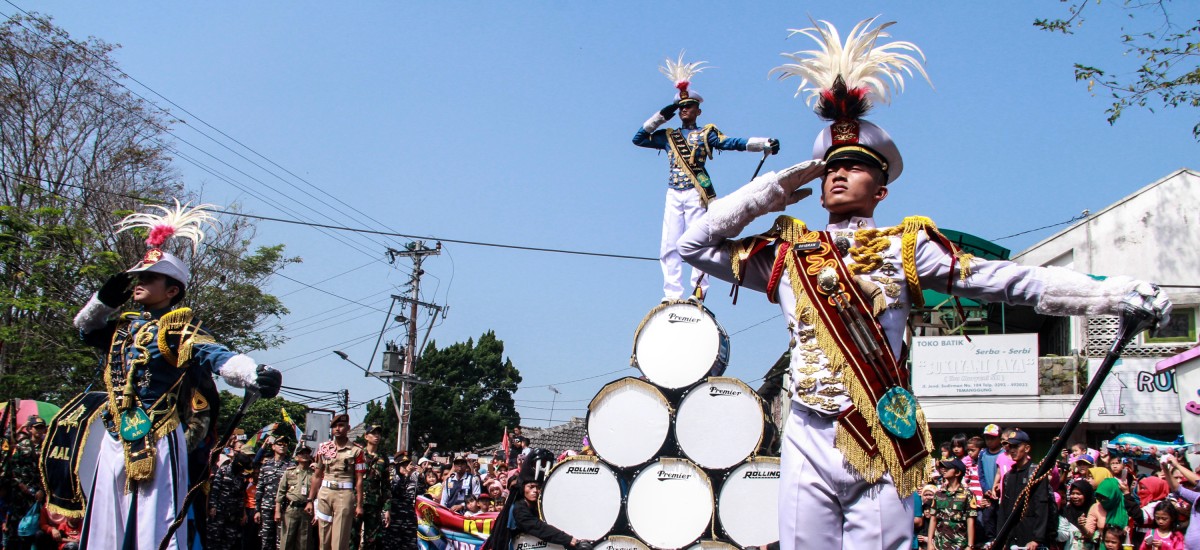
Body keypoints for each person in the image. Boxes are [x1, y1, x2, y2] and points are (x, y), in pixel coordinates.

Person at [677, 17, 1170, 550]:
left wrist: (1110, 295)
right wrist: (776, 187)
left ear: (881, 190)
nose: (838, 175)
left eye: (855, 167)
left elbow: (1012, 282)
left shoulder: (907, 249)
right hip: (806, 433)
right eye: (829, 169)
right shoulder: (789, 251)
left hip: (881, 433)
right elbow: (694, 244)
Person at [70, 202, 282, 549]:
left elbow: (216, 355)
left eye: (149, 278)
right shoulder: (123, 327)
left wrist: (253, 373)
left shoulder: (179, 329)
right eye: (137, 277)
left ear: (172, 290)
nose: (138, 283)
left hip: (157, 438)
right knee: (105, 524)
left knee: (156, 525)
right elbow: (84, 328)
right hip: (114, 435)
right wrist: (103, 301)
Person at [633, 52, 778, 302]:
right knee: (669, 244)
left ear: (698, 110)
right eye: (680, 108)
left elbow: (732, 142)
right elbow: (638, 138)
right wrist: (660, 115)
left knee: (697, 243)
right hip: (673, 193)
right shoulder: (668, 136)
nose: (683, 111)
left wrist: (762, 143)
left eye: (688, 107)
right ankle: (671, 293)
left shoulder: (705, 134)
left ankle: (698, 289)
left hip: (696, 193)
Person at [306, 414, 364, 550]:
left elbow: (359, 480)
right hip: (325, 493)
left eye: (341, 425)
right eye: (334, 426)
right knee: (323, 537)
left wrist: (359, 505)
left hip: (344, 494)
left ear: (348, 428)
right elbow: (317, 475)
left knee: (340, 538)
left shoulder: (357, 451)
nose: (337, 429)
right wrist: (310, 499)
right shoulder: (324, 448)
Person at [997, 430, 1055, 549]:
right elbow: (1003, 508)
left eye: (1016, 446)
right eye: (1010, 446)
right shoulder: (1008, 476)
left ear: (1027, 448)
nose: (1012, 450)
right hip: (1011, 537)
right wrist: (1000, 538)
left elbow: (1042, 506)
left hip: (1030, 537)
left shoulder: (1035, 473)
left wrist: (1037, 539)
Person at [5, 416, 46, 550]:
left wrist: (41, 489)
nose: (39, 431)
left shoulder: (47, 447)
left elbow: (47, 471)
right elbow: (11, 468)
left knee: (35, 526)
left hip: (38, 494)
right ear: (30, 429)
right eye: (36, 428)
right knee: (16, 526)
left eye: (42, 428)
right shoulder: (22, 446)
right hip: (21, 493)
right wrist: (21, 485)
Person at [353, 425, 390, 550]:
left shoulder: (383, 458)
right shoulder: (358, 454)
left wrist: (387, 508)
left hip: (374, 504)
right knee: (352, 538)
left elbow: (386, 486)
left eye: (379, 434)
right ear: (366, 436)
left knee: (372, 539)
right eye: (373, 433)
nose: (377, 436)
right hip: (356, 501)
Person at [926, 458, 976, 550]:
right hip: (939, 544)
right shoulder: (939, 494)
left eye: (947, 468)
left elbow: (970, 521)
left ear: (957, 473)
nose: (943, 470)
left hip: (959, 544)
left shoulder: (967, 495)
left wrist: (970, 546)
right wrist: (930, 542)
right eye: (942, 468)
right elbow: (933, 519)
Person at [275, 444, 316, 550]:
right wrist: (277, 511)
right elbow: (281, 492)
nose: (305, 455)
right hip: (291, 509)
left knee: (304, 542)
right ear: (296, 457)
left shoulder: (314, 474)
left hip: (307, 511)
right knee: (287, 540)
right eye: (302, 453)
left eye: (307, 453)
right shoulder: (289, 472)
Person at [256, 435, 293, 550]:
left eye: (285, 445)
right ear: (273, 447)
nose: (282, 446)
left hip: (284, 508)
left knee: (281, 541)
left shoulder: (291, 466)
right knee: (266, 540)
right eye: (279, 444)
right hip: (266, 507)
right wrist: (257, 510)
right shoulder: (265, 466)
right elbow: (260, 488)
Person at [209, 452, 251, 549]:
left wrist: (242, 514)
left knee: (229, 540)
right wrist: (213, 506)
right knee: (214, 538)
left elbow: (241, 496)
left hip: (233, 514)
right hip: (219, 511)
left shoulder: (241, 477)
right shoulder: (223, 471)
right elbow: (215, 490)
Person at [382, 456, 417, 550]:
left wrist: (420, 476)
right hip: (395, 515)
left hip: (409, 516)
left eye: (407, 465)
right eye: (403, 465)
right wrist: (406, 476)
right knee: (393, 544)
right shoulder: (394, 478)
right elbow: (395, 491)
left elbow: (420, 492)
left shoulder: (413, 479)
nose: (406, 467)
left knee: (410, 544)